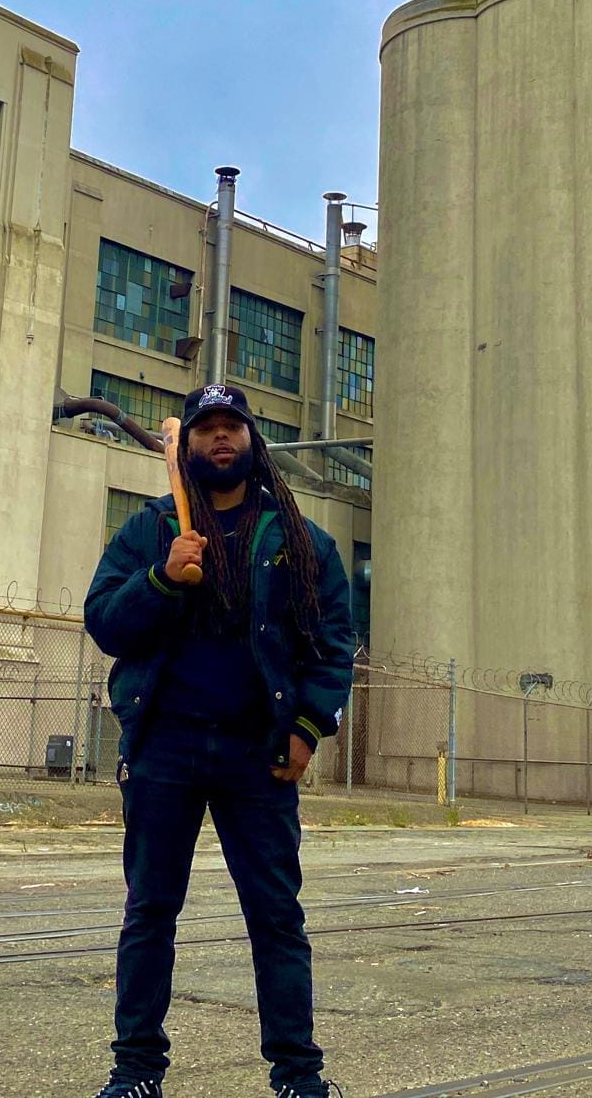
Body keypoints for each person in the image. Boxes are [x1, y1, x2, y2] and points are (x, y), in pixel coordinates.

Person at [83, 383, 356, 1098]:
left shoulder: (298, 537)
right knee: (149, 913)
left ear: (251, 440)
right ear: (190, 446)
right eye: (205, 429)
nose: (220, 438)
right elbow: (106, 622)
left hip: (257, 755)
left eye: (232, 425)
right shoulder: (150, 529)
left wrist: (306, 727)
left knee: (276, 918)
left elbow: (332, 644)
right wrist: (163, 579)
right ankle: (136, 1071)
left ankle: (299, 1075)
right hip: (164, 748)